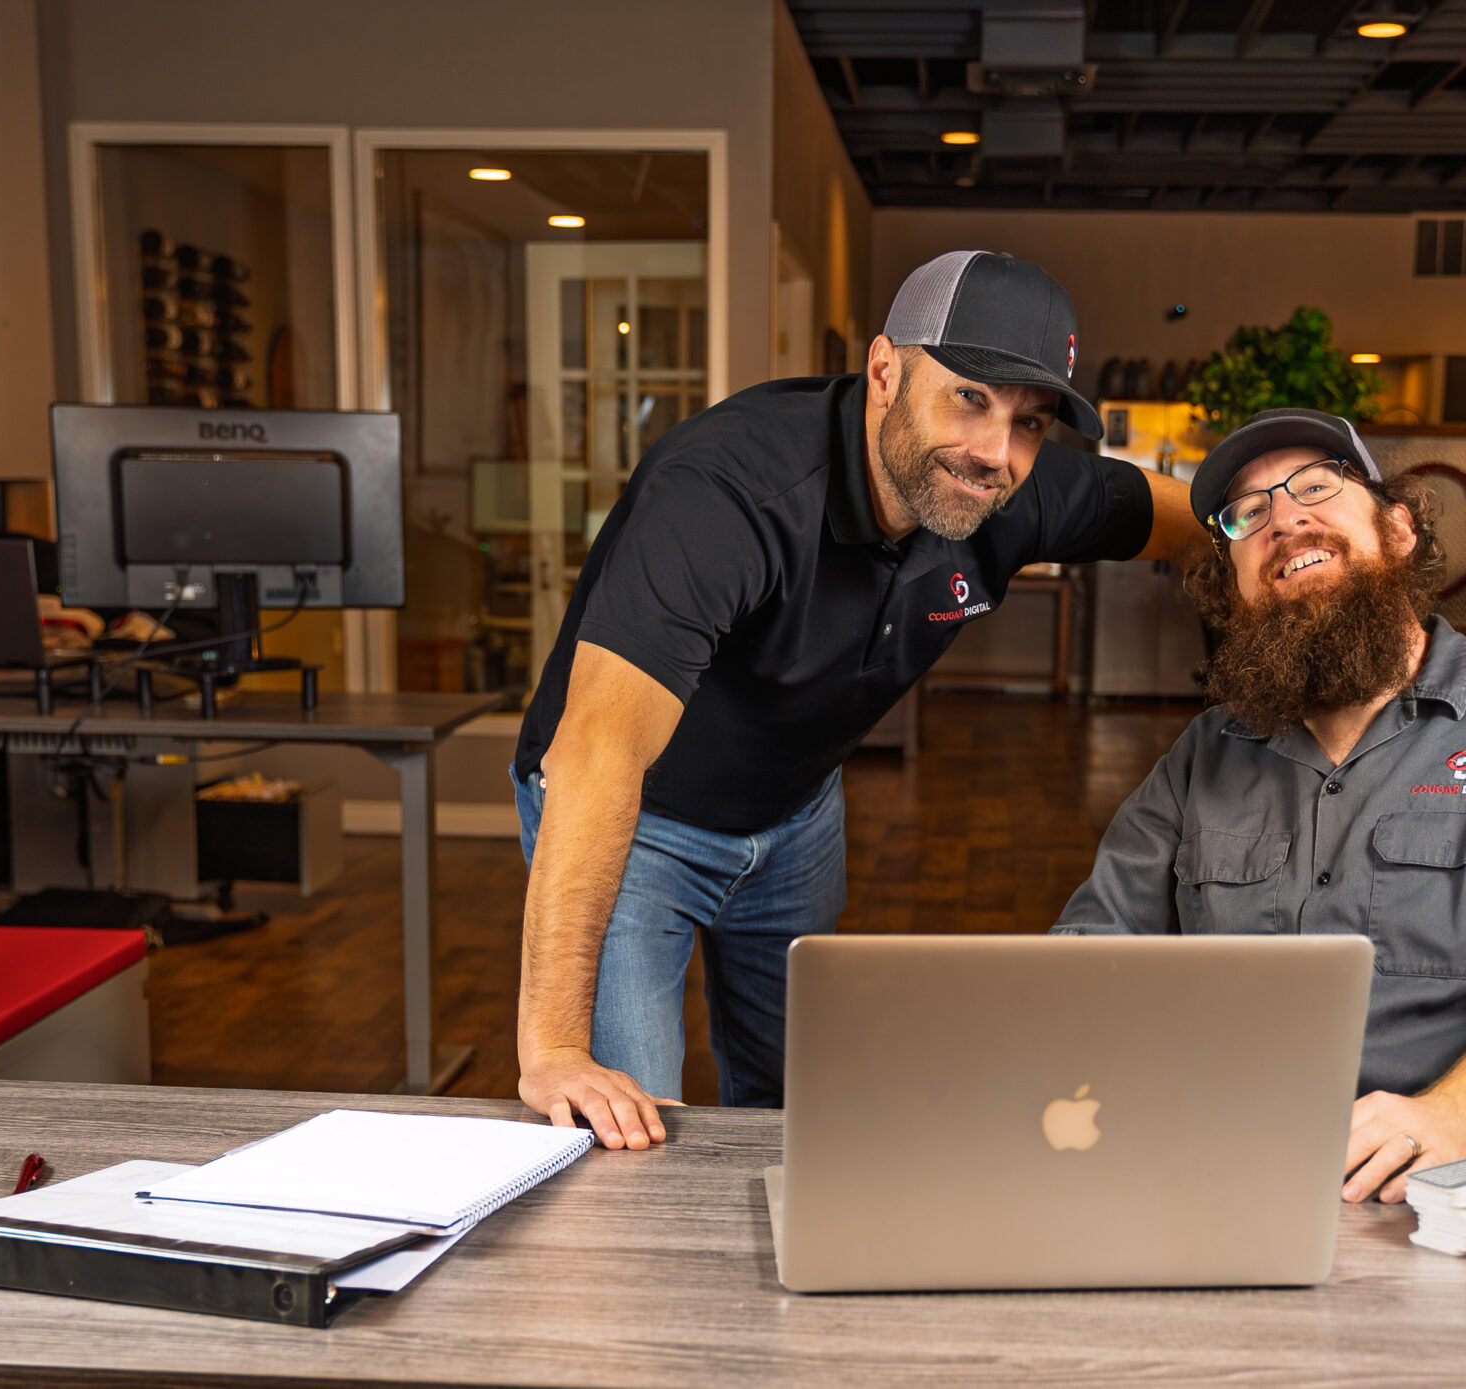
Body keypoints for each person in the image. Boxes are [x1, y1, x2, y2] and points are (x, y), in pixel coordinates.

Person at [514, 251, 1205, 1148]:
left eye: (1029, 421)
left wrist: (1315, 546)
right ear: (886, 371)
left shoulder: (1008, 486)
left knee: (794, 1108)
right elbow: (598, 751)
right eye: (970, 397)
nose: (997, 451)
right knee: (624, 1127)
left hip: (796, 815)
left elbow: (1203, 522)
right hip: (638, 815)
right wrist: (555, 1045)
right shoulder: (730, 490)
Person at [1053, 407, 1466, 1204]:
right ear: (1233, 583)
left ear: (1401, 529)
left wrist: (1457, 1117)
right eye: (1246, 513)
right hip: (1235, 1179)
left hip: (1461, 1194)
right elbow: (1085, 960)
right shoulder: (1200, 760)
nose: (1284, 516)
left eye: (1317, 483)